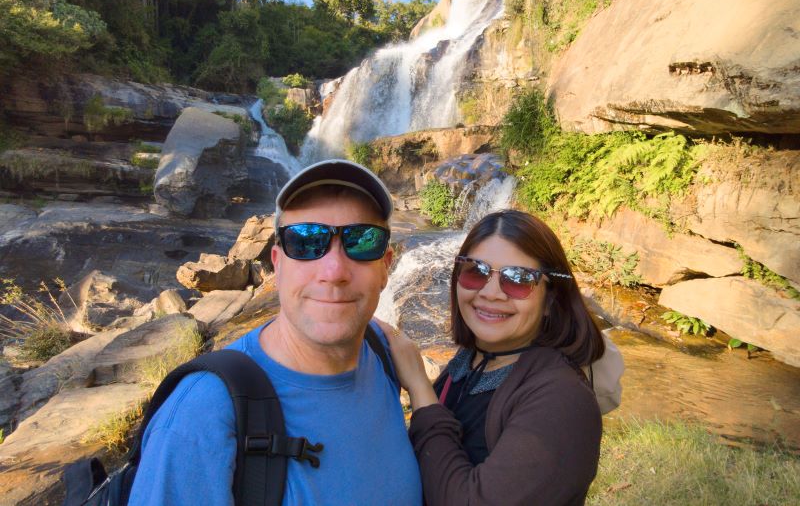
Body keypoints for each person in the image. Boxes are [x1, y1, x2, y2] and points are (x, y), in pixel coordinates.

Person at [130, 159, 422, 505]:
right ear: (278, 263)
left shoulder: (383, 353)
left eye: (361, 241)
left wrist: (421, 390)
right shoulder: (201, 415)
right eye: (305, 242)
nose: (334, 271)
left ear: (386, 266)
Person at [377, 209, 605, 506]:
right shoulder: (471, 361)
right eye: (476, 271)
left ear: (551, 299)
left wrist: (420, 388)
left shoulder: (562, 400)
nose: (491, 292)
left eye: (519, 279)